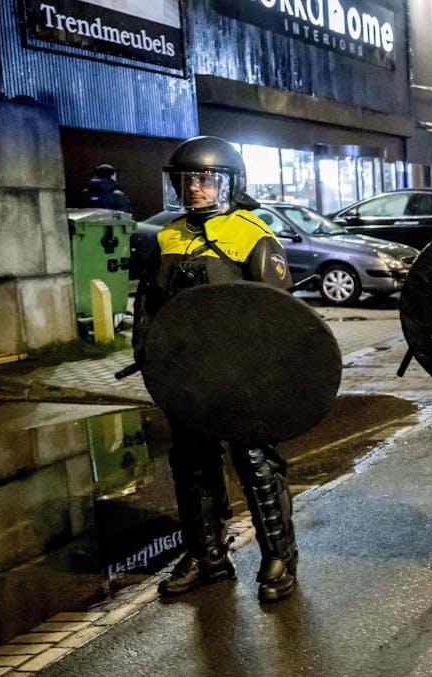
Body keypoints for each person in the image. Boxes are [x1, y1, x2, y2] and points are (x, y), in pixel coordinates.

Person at [133, 137, 298, 602]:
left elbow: (279, 314)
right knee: (192, 465)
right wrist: (148, 356)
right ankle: (207, 557)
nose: (195, 189)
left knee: (255, 462)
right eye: (187, 181)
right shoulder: (168, 237)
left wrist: (272, 378)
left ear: (230, 184)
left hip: (244, 377)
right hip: (189, 377)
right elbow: (150, 305)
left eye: (205, 179)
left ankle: (278, 556)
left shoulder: (252, 235)